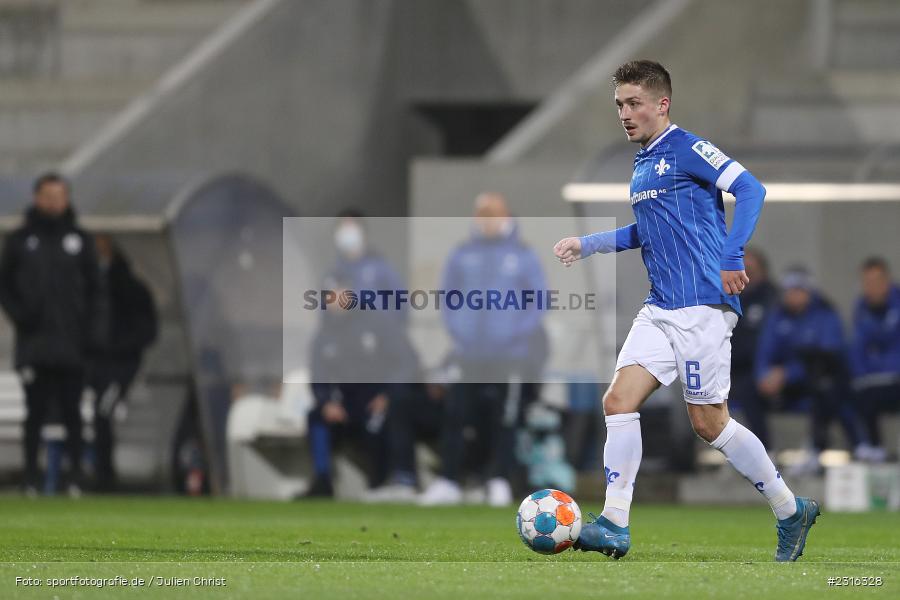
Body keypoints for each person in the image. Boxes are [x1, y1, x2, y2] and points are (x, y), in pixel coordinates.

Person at [553, 61, 817, 562]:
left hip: (702, 306)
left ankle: (789, 509)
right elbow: (646, 231)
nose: (625, 114)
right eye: (619, 105)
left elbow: (751, 189)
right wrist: (587, 244)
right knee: (617, 402)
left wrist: (733, 255)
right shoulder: (644, 161)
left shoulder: (687, 147)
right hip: (660, 306)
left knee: (709, 423)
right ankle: (614, 522)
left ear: (661, 104)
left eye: (633, 103)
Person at [418, 193, 547, 507]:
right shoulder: (463, 255)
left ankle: (499, 480)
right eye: (482, 214)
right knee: (457, 413)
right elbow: (448, 297)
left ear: (506, 216)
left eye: (493, 214)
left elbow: (538, 301)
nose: (487, 220)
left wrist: (515, 334)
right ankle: (449, 479)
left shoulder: (522, 256)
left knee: (505, 417)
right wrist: (460, 334)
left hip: (510, 355)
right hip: (468, 353)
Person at [0, 173, 99, 497]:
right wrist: (21, 316)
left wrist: (90, 333)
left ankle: (74, 478)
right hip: (35, 344)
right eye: (49, 195)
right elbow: (5, 286)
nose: (55, 202)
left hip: (72, 345)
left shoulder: (80, 240)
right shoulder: (20, 240)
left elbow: (97, 291)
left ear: (67, 199)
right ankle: (31, 477)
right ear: (37, 197)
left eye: (60, 195)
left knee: (73, 412)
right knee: (35, 412)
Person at [755, 267, 863, 474]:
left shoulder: (825, 314)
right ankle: (763, 455)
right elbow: (764, 352)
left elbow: (827, 359)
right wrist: (764, 376)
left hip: (815, 381)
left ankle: (817, 449)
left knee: (826, 391)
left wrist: (787, 373)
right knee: (747, 391)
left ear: (808, 292)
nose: (793, 296)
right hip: (783, 385)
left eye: (798, 290)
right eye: (789, 291)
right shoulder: (777, 316)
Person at [86, 234, 158, 491]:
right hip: (96, 365)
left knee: (103, 412)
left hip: (121, 365)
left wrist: (119, 348)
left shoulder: (130, 288)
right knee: (98, 413)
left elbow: (148, 330)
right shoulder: (89, 288)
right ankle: (98, 474)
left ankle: (104, 477)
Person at [850, 257, 900, 462]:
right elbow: (859, 349)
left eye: (877, 281)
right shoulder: (861, 308)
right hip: (871, 381)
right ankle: (869, 447)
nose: (873, 287)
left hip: (895, 379)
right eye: (867, 282)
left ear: (887, 281)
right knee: (840, 391)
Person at [728, 248, 778, 448]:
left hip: (762, 369)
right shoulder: (730, 298)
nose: (745, 275)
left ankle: (764, 451)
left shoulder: (773, 300)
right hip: (732, 368)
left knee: (748, 389)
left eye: (750, 270)